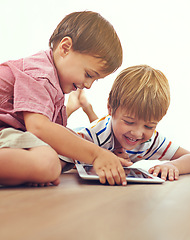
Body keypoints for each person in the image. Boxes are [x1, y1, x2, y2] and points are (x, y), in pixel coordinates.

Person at [0, 11, 133, 187]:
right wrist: (96, 155)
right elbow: (39, 128)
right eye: (88, 74)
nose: (88, 85)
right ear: (65, 48)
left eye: (95, 79)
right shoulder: (41, 74)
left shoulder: (52, 82)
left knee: (65, 149)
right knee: (47, 162)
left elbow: (55, 133)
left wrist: (103, 154)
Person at [68, 65, 190, 181]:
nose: (137, 133)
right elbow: (63, 154)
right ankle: (74, 107)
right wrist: (99, 159)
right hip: (80, 132)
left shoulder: (150, 140)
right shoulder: (91, 135)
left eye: (149, 126)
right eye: (129, 122)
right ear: (110, 107)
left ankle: (87, 107)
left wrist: (173, 166)